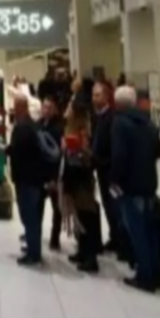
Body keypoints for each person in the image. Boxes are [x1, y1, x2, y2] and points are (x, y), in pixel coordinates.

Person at [110, 86, 160, 292]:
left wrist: (114, 180)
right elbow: (159, 149)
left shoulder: (120, 123)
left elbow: (119, 156)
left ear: (117, 103)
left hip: (130, 185)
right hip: (149, 182)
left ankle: (145, 275)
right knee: (149, 230)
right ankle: (155, 270)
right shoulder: (147, 122)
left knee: (137, 231)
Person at [3, 95, 48, 266]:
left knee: (29, 216)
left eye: (16, 106)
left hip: (26, 178)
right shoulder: (32, 125)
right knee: (32, 216)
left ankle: (33, 253)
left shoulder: (22, 128)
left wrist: (6, 150)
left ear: (21, 107)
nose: (13, 109)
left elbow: (18, 152)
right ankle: (32, 246)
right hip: (33, 177)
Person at [63, 97, 101, 274]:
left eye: (70, 108)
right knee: (78, 216)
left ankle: (90, 256)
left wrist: (77, 149)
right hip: (73, 175)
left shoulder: (83, 131)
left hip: (82, 178)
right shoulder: (71, 129)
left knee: (87, 216)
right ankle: (82, 250)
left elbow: (88, 156)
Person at [91, 80, 125, 259]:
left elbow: (113, 147)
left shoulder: (112, 118)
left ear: (106, 96)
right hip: (101, 169)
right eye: (93, 95)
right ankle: (114, 237)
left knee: (115, 207)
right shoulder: (98, 117)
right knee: (108, 206)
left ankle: (122, 242)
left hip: (110, 170)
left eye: (97, 95)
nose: (94, 98)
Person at [39, 97, 65, 251]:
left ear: (55, 109)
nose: (46, 110)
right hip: (41, 172)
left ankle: (55, 237)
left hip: (53, 173)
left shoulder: (58, 128)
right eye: (44, 106)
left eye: (49, 107)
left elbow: (59, 154)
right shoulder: (39, 124)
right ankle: (35, 233)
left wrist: (55, 177)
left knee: (57, 208)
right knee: (38, 206)